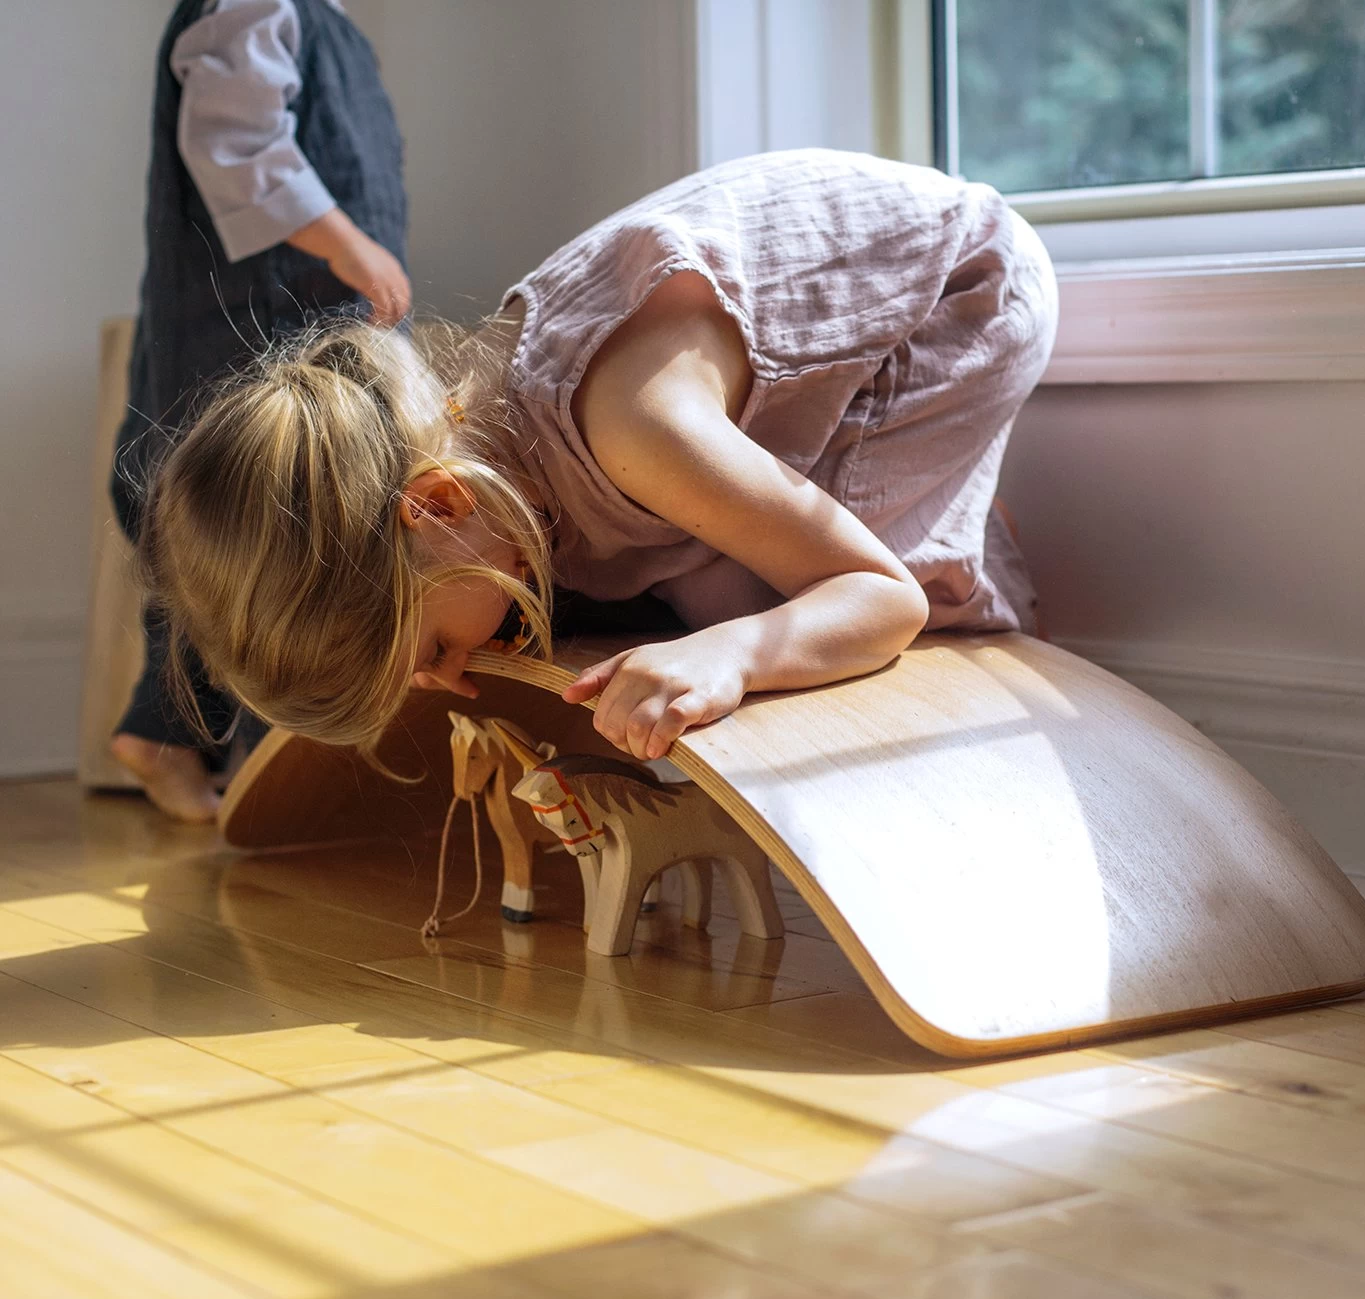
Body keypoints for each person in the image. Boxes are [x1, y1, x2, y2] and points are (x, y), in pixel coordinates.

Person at [136, 148, 1057, 768]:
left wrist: (736, 653)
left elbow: (879, 602)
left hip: (957, 286)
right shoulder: (472, 458)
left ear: (442, 505)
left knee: (776, 615)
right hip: (749, 343)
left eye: (434, 648)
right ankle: (877, 512)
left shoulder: (636, 433)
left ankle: (956, 546)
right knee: (683, 591)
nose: (444, 673)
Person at [109, 0, 409, 821]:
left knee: (288, 534)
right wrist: (347, 242)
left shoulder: (328, 27)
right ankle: (238, 757)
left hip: (290, 332)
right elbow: (234, 139)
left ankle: (187, 734)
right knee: (256, 528)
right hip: (250, 331)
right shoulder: (256, 4)